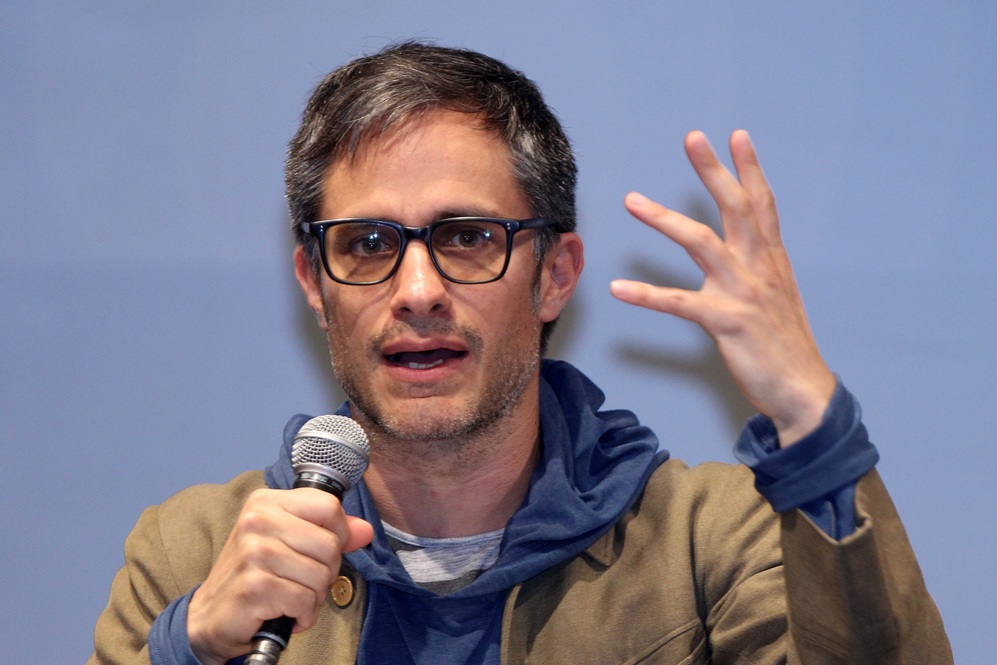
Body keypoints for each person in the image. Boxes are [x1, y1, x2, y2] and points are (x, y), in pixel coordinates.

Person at [90, 42, 952, 664]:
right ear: (315, 284)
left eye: (467, 237)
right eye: (368, 243)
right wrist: (187, 648)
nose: (417, 289)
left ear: (554, 275)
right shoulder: (191, 553)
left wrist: (810, 421)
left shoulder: (708, 543)